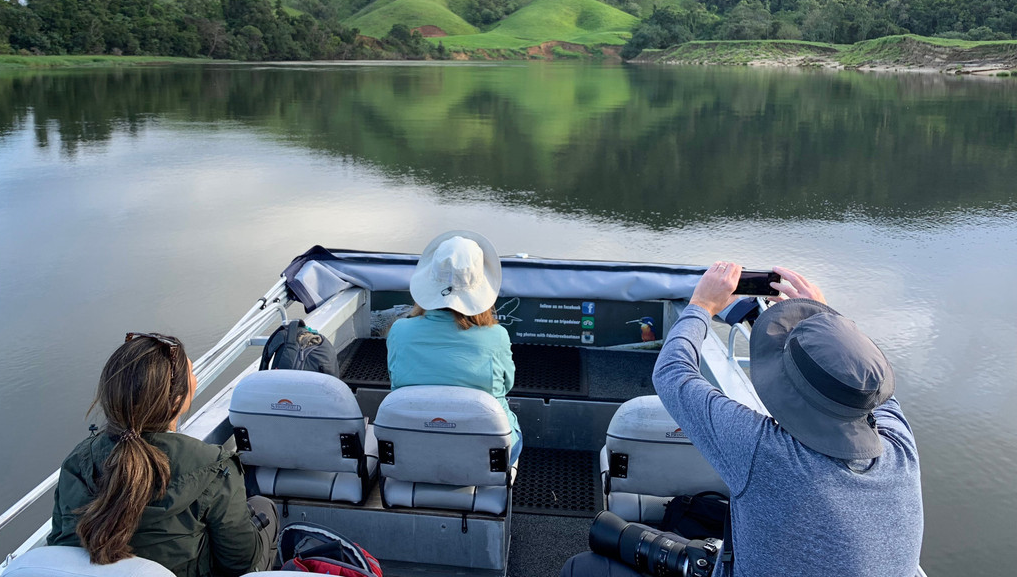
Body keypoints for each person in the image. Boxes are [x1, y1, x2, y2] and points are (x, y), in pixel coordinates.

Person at [563, 263, 923, 577]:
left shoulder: (766, 452)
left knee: (582, 567)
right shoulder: (900, 447)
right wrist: (826, 320)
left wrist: (701, 305)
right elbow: (864, 381)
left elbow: (672, 372)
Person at [48, 332, 278, 577]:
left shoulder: (77, 462)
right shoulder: (214, 468)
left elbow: (59, 545)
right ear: (177, 399)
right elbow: (238, 562)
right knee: (264, 507)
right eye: (191, 372)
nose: (196, 378)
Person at [387, 230, 521, 463]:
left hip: (415, 449)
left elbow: (395, 381)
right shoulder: (497, 336)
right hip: (485, 455)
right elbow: (507, 384)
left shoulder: (399, 331)